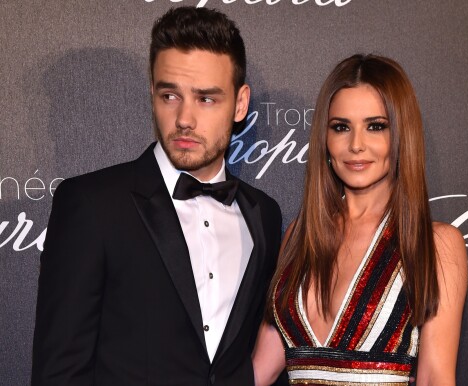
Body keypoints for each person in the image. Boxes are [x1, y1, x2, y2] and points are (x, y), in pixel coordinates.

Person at [32, 7, 282, 386]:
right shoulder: (91, 205)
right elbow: (59, 374)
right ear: (152, 94)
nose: (184, 118)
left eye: (206, 99)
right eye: (170, 95)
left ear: (240, 103)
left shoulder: (263, 214)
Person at [252, 54, 468, 386]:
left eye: (375, 126)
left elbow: (435, 377)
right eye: (341, 127)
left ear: (400, 135)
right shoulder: (299, 236)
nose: (356, 145)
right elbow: (259, 372)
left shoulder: (434, 244)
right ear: (325, 139)